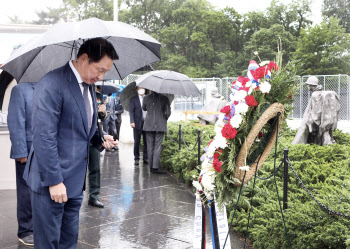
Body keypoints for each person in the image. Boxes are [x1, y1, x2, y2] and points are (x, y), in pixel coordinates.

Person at [23, 38, 119, 249]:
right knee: (48, 242)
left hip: (75, 182)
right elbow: (43, 136)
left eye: (105, 72)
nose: (101, 76)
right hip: (51, 181)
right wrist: (54, 181)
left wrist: (101, 139)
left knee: (69, 241)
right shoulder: (52, 83)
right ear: (84, 58)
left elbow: (83, 126)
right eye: (99, 69)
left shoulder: (88, 86)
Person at [7, 82, 35, 246]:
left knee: (42, 191)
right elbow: (15, 121)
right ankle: (26, 230)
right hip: (28, 152)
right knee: (26, 192)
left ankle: (39, 226)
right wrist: (20, 152)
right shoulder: (20, 89)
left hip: (47, 152)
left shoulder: (51, 87)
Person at [87, 86, 108, 208]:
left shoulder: (98, 96)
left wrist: (103, 112)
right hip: (79, 138)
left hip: (94, 136)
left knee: (95, 168)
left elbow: (101, 118)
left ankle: (94, 196)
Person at [142, 91, 171, 174]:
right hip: (160, 124)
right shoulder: (165, 98)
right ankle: (155, 167)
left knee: (149, 145)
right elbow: (168, 113)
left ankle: (151, 167)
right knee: (157, 146)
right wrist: (164, 117)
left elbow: (144, 108)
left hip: (148, 124)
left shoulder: (146, 98)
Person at [129, 86, 148, 165]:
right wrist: (132, 121)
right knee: (137, 141)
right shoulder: (133, 99)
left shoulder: (148, 98)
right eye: (140, 88)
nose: (141, 89)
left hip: (147, 123)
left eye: (143, 88)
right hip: (137, 123)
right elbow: (131, 111)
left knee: (146, 142)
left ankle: (145, 158)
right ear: (137, 90)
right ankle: (136, 158)